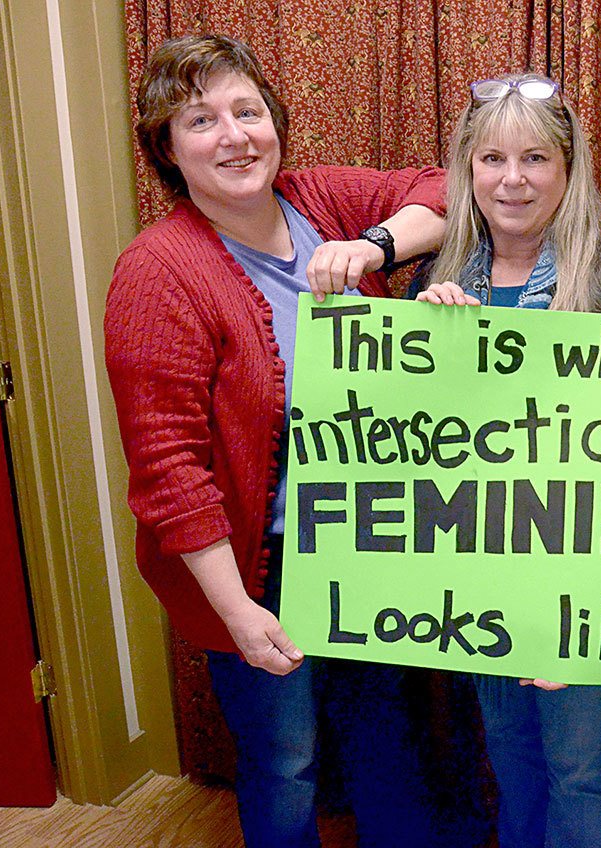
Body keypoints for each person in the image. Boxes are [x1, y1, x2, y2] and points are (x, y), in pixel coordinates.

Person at [104, 34, 444, 847]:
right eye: (201, 120)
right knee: (286, 760)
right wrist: (239, 613)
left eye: (248, 111)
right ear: (167, 149)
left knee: (385, 738)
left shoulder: (318, 199)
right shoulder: (159, 272)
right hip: (264, 563)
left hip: (370, 541)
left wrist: (375, 246)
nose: (234, 136)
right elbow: (168, 472)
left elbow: (442, 186)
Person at [417, 73, 601, 847]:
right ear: (468, 171)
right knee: (509, 759)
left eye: (534, 159)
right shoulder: (444, 283)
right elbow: (420, 444)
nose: (512, 179)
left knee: (579, 767)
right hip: (483, 575)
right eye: (492, 159)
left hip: (582, 584)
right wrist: (428, 343)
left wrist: (587, 618)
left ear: (566, 169)